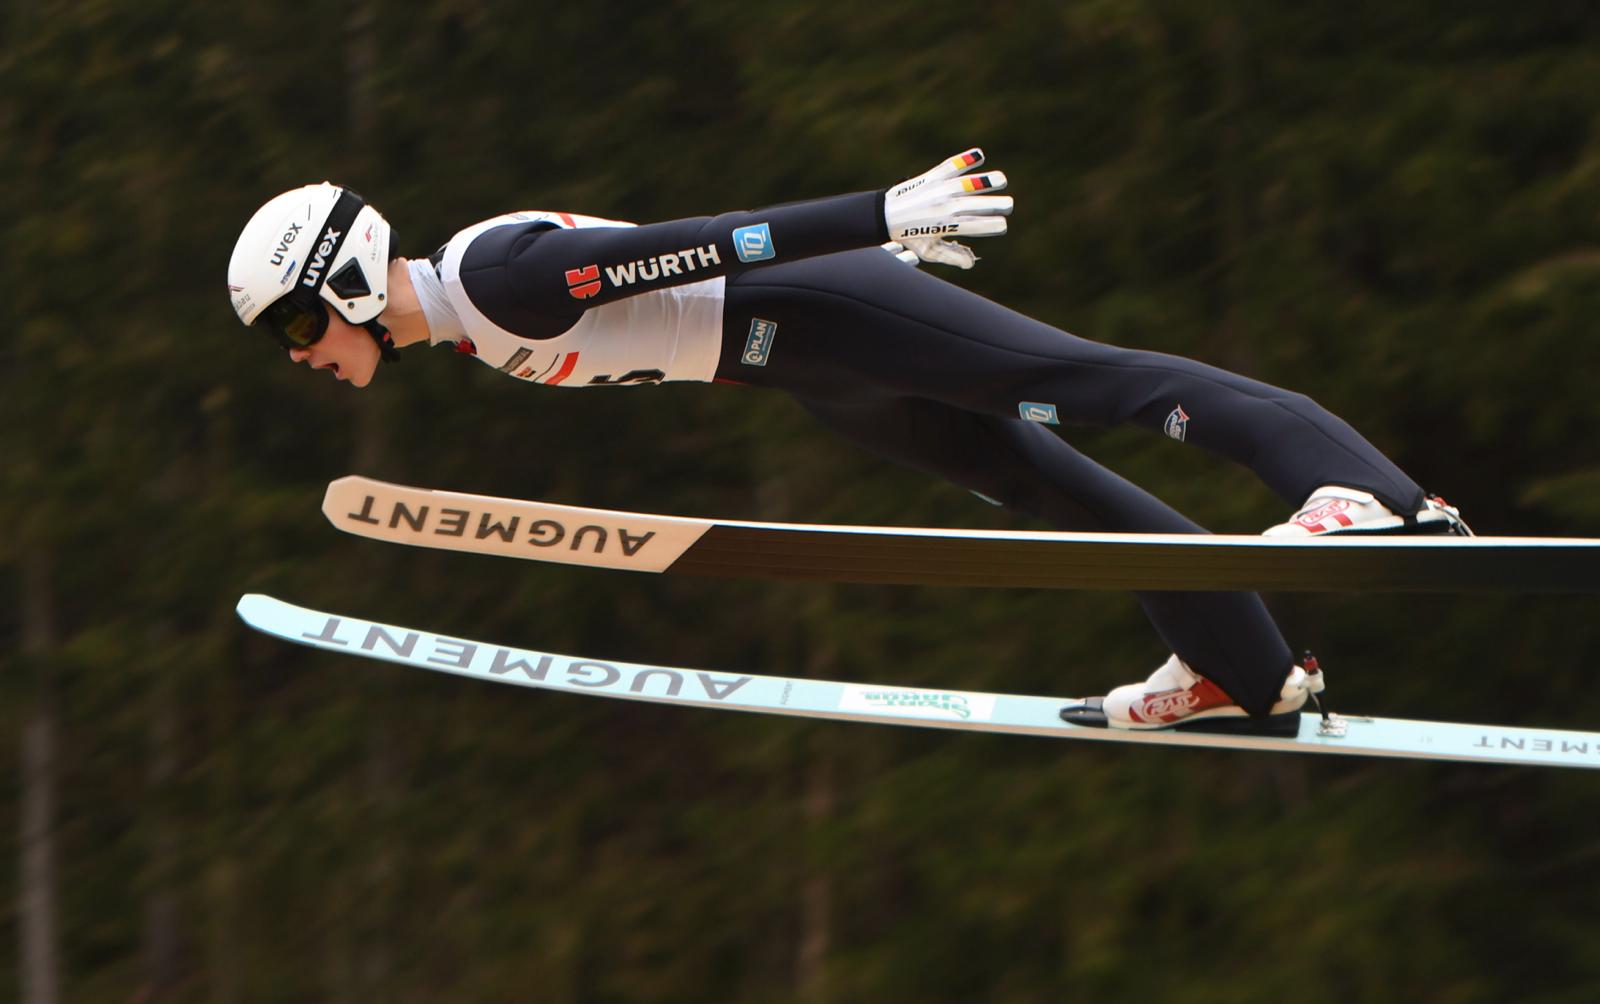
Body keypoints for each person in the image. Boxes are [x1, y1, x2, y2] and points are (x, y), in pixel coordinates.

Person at [226, 151, 1468, 737]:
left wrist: (881, 215)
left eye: (291, 323)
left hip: (822, 306)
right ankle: (1241, 671)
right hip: (806, 369)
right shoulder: (469, 320)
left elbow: (708, 239)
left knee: (1077, 382)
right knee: (1033, 479)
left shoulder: (500, 280)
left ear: (337, 282)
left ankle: (1370, 491)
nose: (296, 352)